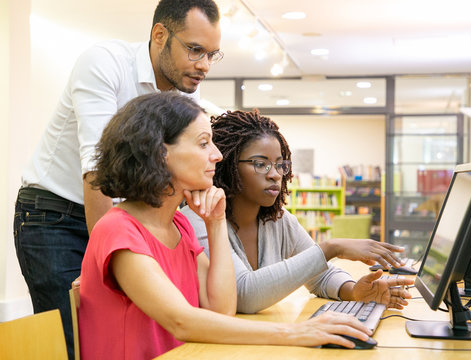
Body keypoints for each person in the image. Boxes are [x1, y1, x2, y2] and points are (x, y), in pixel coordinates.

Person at [79, 92, 373, 359]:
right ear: (159, 153)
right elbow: (180, 321)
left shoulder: (179, 225)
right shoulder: (118, 229)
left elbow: (222, 308)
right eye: (203, 143)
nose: (217, 155)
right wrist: (294, 333)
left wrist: (216, 222)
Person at [13, 1, 222, 358]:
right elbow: (97, 173)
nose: (203, 65)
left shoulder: (184, 87)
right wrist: (100, 259)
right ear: (160, 35)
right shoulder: (104, 63)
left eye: (212, 54)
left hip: (120, 219)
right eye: (194, 50)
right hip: (54, 215)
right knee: (72, 341)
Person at [181, 110, 414, 314]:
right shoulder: (200, 219)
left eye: (281, 164)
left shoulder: (279, 220)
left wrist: (355, 292)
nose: (275, 174)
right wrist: (330, 247)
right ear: (228, 165)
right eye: (261, 164)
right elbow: (244, 294)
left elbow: (319, 275)